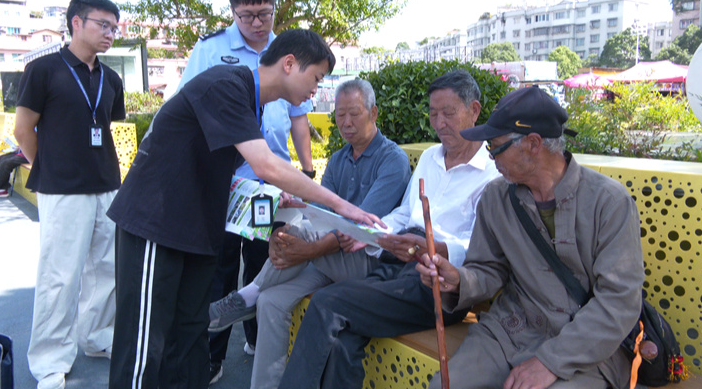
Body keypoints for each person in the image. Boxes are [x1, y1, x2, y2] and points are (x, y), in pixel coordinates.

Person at [105, 28, 382, 389]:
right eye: (316, 77)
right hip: (156, 224)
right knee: (145, 345)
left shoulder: (253, 104)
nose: (316, 90)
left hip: (197, 231)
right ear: (289, 64)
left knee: (190, 337)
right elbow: (266, 164)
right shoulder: (226, 84)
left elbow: (223, 172)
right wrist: (346, 208)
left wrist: (270, 195)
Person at [277, 69, 500, 389]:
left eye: (448, 113)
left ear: (474, 110)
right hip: (397, 262)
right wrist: (372, 234)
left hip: (437, 282)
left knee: (327, 302)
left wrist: (435, 249)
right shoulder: (430, 157)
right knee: (341, 341)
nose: (439, 123)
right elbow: (404, 214)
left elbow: (480, 249)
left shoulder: (492, 175)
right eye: (433, 114)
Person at [417, 86, 644, 389]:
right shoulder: (496, 197)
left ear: (533, 144)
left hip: (585, 345)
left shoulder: (609, 202)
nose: (491, 158)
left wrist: (551, 361)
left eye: (496, 148)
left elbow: (618, 302)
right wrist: (458, 280)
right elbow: (488, 268)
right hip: (510, 330)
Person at [208, 78, 411, 389]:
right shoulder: (339, 159)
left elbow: (360, 230)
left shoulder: (392, 160)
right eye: (340, 115)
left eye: (354, 114)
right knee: (271, 301)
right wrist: (289, 224)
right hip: (326, 260)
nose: (346, 122)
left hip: (367, 263)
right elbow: (317, 213)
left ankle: (247, 294)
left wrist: (303, 246)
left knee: (300, 235)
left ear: (374, 113)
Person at [176, 0, 316, 381]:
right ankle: (212, 356)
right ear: (233, 12)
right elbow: (188, 109)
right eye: (247, 15)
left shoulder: (287, 51)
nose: (256, 23)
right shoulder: (211, 50)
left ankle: (256, 339)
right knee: (219, 268)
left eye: (265, 14)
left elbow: (298, 119)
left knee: (263, 262)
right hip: (225, 184)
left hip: (271, 185)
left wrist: (307, 171)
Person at [14, 0, 125, 389]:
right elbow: (23, 129)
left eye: (114, 27)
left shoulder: (111, 78)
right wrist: (48, 166)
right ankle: (49, 361)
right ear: (76, 22)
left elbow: (104, 128)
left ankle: (97, 337)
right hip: (62, 189)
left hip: (107, 185)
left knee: (107, 271)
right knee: (59, 276)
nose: (110, 33)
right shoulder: (43, 70)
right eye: (103, 24)